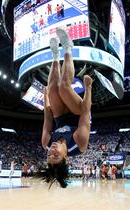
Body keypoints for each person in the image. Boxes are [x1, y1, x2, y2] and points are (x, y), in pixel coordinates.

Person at [36, 28, 92, 188]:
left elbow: (47, 116)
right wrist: (88, 88)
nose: (51, 151)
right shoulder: (79, 143)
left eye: (49, 155)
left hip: (60, 118)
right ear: (66, 156)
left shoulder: (46, 142)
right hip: (79, 114)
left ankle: (55, 56)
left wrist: (46, 96)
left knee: (53, 88)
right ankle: (68, 47)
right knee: (63, 87)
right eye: (56, 155)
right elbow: (86, 114)